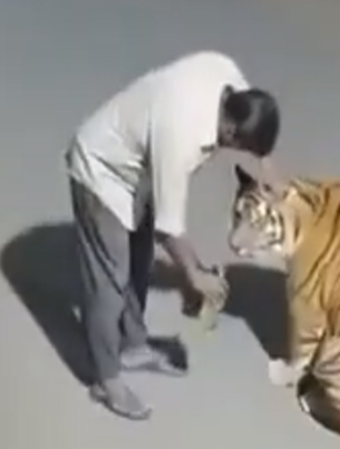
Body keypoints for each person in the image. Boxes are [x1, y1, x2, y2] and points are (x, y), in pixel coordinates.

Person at [65, 51, 281, 420]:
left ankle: (132, 345)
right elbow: (170, 228)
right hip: (101, 172)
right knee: (109, 283)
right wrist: (195, 276)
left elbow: (254, 124)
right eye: (241, 147)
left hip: (139, 171)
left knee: (138, 262)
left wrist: (268, 172)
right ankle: (106, 380)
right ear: (229, 132)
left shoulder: (226, 76)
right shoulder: (180, 135)